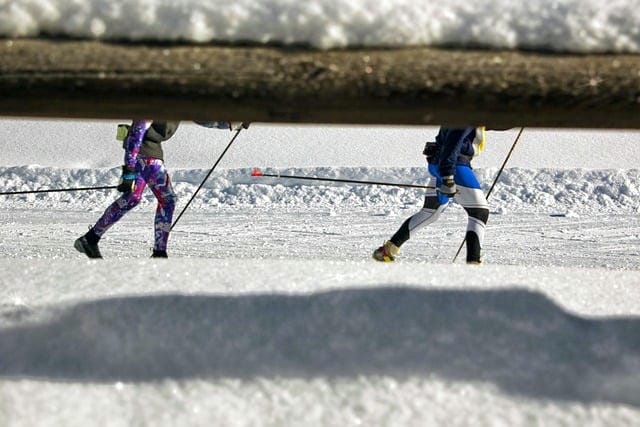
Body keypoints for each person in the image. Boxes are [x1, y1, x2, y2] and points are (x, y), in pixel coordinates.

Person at [74, 120, 245, 259]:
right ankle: (159, 253)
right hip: (144, 153)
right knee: (167, 200)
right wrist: (129, 170)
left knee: (133, 198)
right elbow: (137, 129)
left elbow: (202, 118)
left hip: (148, 152)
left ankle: (90, 239)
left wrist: (231, 123)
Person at [372, 127, 489, 264]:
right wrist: (448, 177)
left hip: (441, 163)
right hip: (454, 165)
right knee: (479, 212)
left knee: (431, 210)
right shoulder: (467, 109)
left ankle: (388, 250)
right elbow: (453, 142)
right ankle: (473, 264)